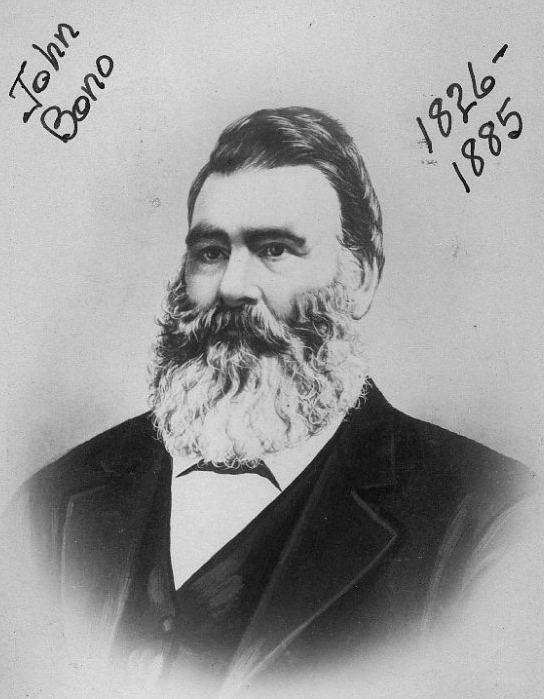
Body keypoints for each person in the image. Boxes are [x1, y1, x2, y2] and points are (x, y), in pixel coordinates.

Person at [11, 107, 536, 698]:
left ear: (361, 277)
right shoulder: (51, 502)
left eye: (276, 249)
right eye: (211, 251)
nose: (233, 286)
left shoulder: (491, 518)